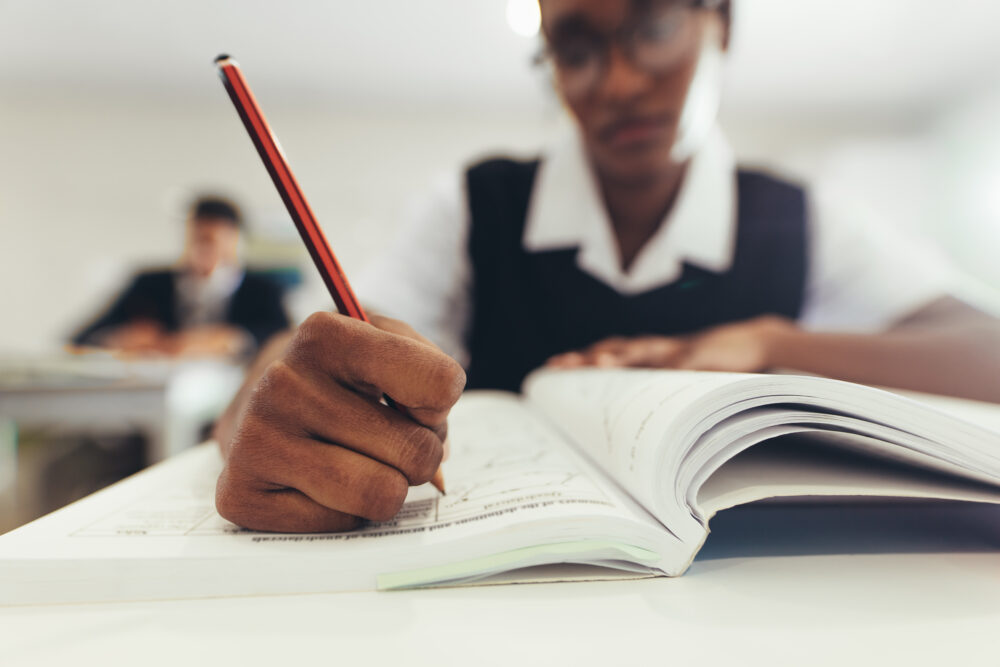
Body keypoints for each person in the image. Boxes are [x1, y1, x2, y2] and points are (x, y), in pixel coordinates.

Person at [212, 0, 1000, 533]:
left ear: (719, 23)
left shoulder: (801, 216)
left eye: (652, 24)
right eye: (577, 49)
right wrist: (285, 400)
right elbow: (301, 367)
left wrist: (771, 344)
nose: (618, 84)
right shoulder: (473, 204)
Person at [72, 196, 290, 358]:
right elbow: (83, 336)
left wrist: (237, 339)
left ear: (235, 239)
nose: (204, 248)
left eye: (212, 240)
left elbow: (286, 341)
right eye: (197, 238)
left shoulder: (264, 289)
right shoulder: (149, 284)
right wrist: (119, 338)